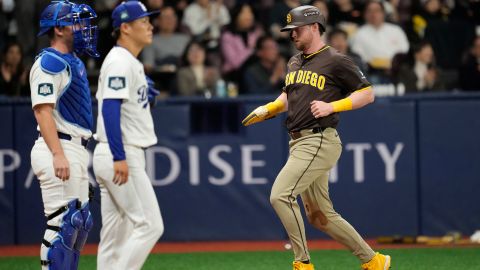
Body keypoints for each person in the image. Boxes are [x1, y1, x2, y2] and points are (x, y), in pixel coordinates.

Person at [242, 5, 390, 270]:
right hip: (298, 141)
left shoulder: (336, 59)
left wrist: (334, 106)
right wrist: (270, 108)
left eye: (296, 29)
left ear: (314, 27)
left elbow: (367, 93)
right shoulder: (294, 60)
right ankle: (374, 260)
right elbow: (288, 96)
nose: (292, 35)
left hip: (319, 139)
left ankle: (303, 263)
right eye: (290, 30)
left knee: (281, 195)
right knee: (320, 216)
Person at [93, 1, 164, 270]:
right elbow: (109, 109)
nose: (149, 26)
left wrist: (145, 97)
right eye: (143, 21)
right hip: (120, 153)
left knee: (115, 235)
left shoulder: (126, 61)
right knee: (149, 225)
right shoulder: (120, 61)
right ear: (125, 27)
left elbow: (123, 107)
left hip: (113, 153)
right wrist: (118, 156)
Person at [29, 1, 99, 269]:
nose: (82, 28)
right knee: (63, 224)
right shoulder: (50, 62)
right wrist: (57, 153)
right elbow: (43, 111)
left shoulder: (72, 62)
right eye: (76, 22)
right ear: (58, 29)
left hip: (75, 147)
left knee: (79, 225)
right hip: (58, 145)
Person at [350, 0, 409, 84]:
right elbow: (358, 57)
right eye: (370, 11)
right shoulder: (359, 33)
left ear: (383, 13)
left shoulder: (396, 30)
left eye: (377, 11)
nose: (374, 14)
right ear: (365, 14)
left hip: (397, 71)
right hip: (373, 73)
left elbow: (404, 50)